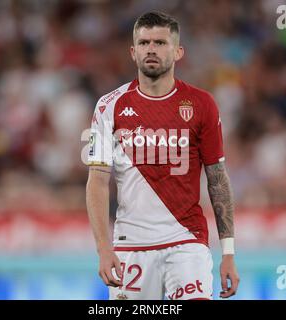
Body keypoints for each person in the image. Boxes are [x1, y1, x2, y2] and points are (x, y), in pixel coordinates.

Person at [86, 11, 239, 300]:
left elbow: (217, 178)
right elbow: (96, 181)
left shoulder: (202, 104)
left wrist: (228, 252)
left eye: (160, 42)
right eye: (144, 43)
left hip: (186, 241)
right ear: (133, 52)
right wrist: (103, 248)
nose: (151, 49)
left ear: (178, 51)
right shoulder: (108, 106)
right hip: (131, 245)